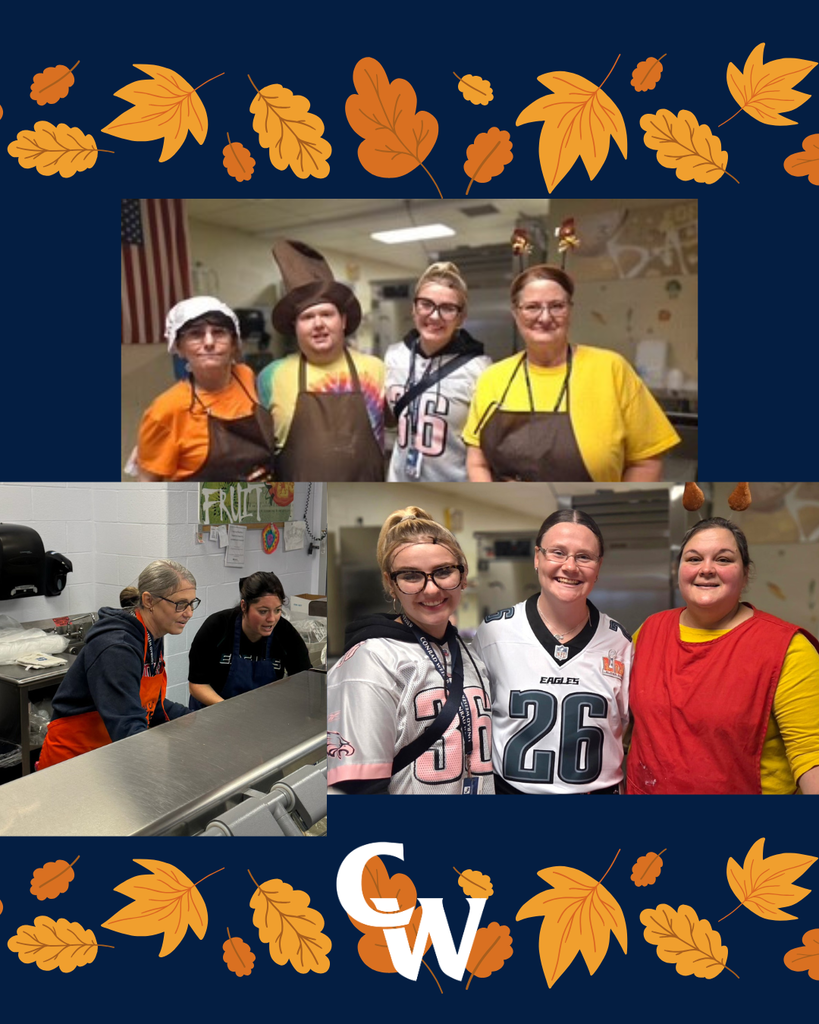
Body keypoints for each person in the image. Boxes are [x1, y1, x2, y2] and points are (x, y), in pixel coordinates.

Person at [627, 517, 819, 795]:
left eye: (724, 560)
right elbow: (622, 724)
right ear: (677, 569)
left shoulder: (788, 647)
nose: (706, 569)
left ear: (745, 574)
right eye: (693, 559)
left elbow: (811, 756)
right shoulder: (648, 631)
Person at [327, 507, 493, 795]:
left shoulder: (469, 655)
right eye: (411, 576)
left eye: (443, 571)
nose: (431, 590)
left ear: (463, 576)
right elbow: (358, 789)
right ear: (391, 585)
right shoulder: (372, 661)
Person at [463, 265, 681, 482]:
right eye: (532, 307)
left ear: (570, 310)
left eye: (557, 306)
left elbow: (646, 461)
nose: (545, 317)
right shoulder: (493, 378)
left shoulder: (611, 369)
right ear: (515, 313)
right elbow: (477, 461)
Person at [474, 509, 631, 794]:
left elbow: (629, 725)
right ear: (537, 558)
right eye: (557, 552)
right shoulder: (493, 634)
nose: (570, 567)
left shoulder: (620, 643)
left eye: (584, 557)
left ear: (598, 566)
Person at [37, 560, 197, 769]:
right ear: (149, 600)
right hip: (75, 761)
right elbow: (127, 725)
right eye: (180, 604)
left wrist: (197, 720)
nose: (189, 613)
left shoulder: (151, 636)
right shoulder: (117, 648)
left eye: (192, 603)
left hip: (108, 755)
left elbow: (152, 704)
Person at [257, 239, 385, 481]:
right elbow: (258, 450)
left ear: (343, 321)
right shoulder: (271, 376)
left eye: (327, 314)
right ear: (295, 326)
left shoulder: (376, 369)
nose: (318, 324)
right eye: (307, 317)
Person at [136, 297, 275, 481]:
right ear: (179, 346)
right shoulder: (166, 409)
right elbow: (146, 488)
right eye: (195, 334)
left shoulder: (247, 377)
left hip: (266, 505)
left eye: (219, 332)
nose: (209, 342)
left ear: (234, 344)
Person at [385, 262, 491, 482]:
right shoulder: (393, 356)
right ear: (414, 308)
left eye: (447, 308)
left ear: (461, 317)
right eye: (426, 304)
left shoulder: (481, 370)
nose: (434, 316)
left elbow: (486, 448)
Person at [187, 571, 311, 709]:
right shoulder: (217, 627)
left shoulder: (285, 633)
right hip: (213, 713)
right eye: (263, 611)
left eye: (277, 610)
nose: (271, 619)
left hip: (262, 713)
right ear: (244, 606)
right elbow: (197, 685)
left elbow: (304, 680)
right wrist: (229, 710)